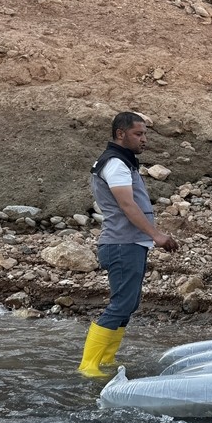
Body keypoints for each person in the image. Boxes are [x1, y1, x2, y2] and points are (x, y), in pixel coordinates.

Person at [77, 112, 179, 377]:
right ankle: (88, 366)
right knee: (121, 304)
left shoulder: (123, 162)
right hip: (122, 244)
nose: (144, 139)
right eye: (138, 134)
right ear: (120, 134)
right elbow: (126, 205)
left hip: (129, 243)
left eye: (145, 134)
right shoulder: (115, 164)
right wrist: (156, 235)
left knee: (129, 304)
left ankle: (106, 360)